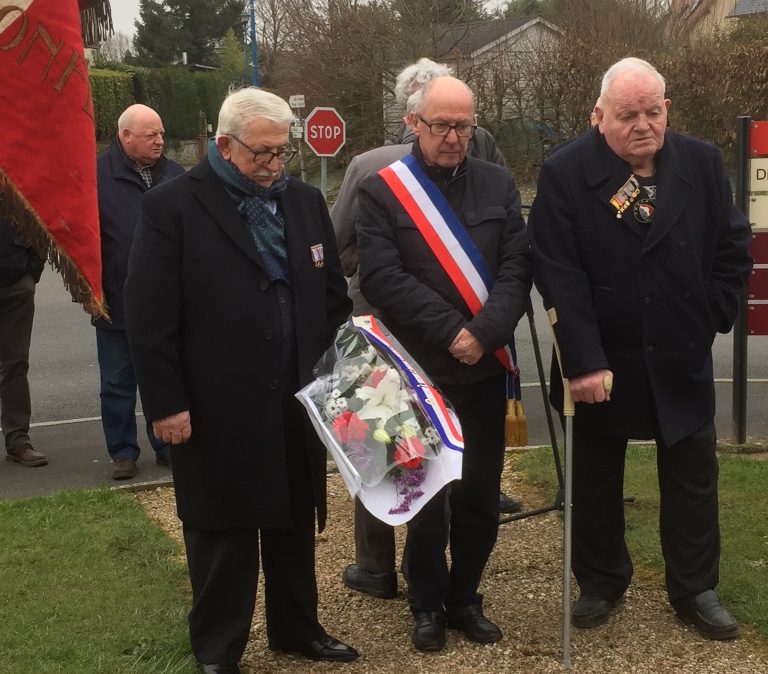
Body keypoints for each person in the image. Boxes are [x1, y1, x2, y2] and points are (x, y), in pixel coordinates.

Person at [123, 87, 357, 673]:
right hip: (214, 404)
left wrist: (339, 378)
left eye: (283, 153)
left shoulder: (304, 203)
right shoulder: (173, 207)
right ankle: (219, 647)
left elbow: (331, 301)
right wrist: (167, 404)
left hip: (294, 400)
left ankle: (297, 628)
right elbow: (149, 317)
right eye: (262, 154)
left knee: (293, 521)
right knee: (222, 534)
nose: (275, 166)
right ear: (224, 146)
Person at [528, 57, 753, 640]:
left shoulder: (700, 163)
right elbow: (557, 270)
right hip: (601, 358)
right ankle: (601, 581)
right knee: (596, 478)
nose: (643, 125)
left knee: (693, 477)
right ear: (599, 114)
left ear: (667, 109)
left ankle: (696, 587)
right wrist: (582, 358)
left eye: (653, 112)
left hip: (681, 351)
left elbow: (732, 245)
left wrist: (713, 313)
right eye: (628, 115)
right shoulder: (566, 171)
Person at [334, 57, 523, 604]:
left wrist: (482, 334)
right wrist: (452, 333)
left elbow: (516, 268)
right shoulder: (384, 189)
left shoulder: (499, 184)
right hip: (418, 368)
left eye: (463, 126)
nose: (453, 137)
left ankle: (465, 597)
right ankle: (427, 603)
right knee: (427, 497)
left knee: (480, 495)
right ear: (413, 122)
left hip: (485, 366)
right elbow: (383, 277)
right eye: (441, 125)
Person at [94, 104, 185, 480]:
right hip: (115, 297)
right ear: (125, 135)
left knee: (164, 372)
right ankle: (122, 452)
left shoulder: (177, 176)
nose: (160, 141)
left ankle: (166, 444)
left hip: (168, 301)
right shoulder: (97, 176)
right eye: (151, 135)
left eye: (161, 133)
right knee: (117, 380)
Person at [0, 216, 46, 468]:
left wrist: (32, 272)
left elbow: (39, 223)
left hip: (16, 286)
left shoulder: (18, 182)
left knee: (15, 364)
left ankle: (17, 440)